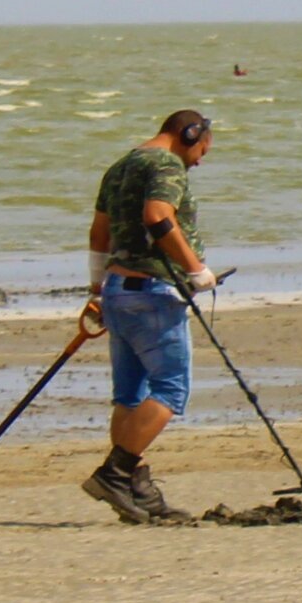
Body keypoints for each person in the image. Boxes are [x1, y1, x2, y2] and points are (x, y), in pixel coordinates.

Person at [83, 109, 217, 523]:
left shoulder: (122, 165)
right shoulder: (165, 164)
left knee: (130, 395)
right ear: (189, 134)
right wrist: (196, 270)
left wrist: (97, 290)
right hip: (153, 294)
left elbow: (99, 233)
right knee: (171, 390)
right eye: (201, 150)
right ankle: (115, 474)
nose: (200, 160)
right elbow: (158, 216)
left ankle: (134, 488)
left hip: (119, 293)